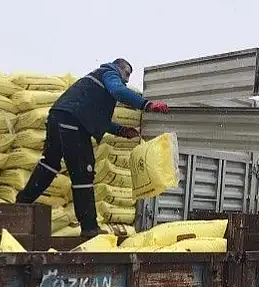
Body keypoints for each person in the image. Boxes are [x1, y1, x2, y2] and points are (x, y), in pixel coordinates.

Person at [15, 58, 170, 237]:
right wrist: (146, 104)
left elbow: (95, 117)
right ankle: (89, 228)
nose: (126, 80)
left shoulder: (94, 85)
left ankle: (22, 202)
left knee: (50, 163)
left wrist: (121, 131)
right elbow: (119, 91)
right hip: (73, 123)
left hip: (58, 117)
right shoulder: (109, 73)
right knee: (83, 171)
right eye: (126, 74)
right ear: (119, 68)